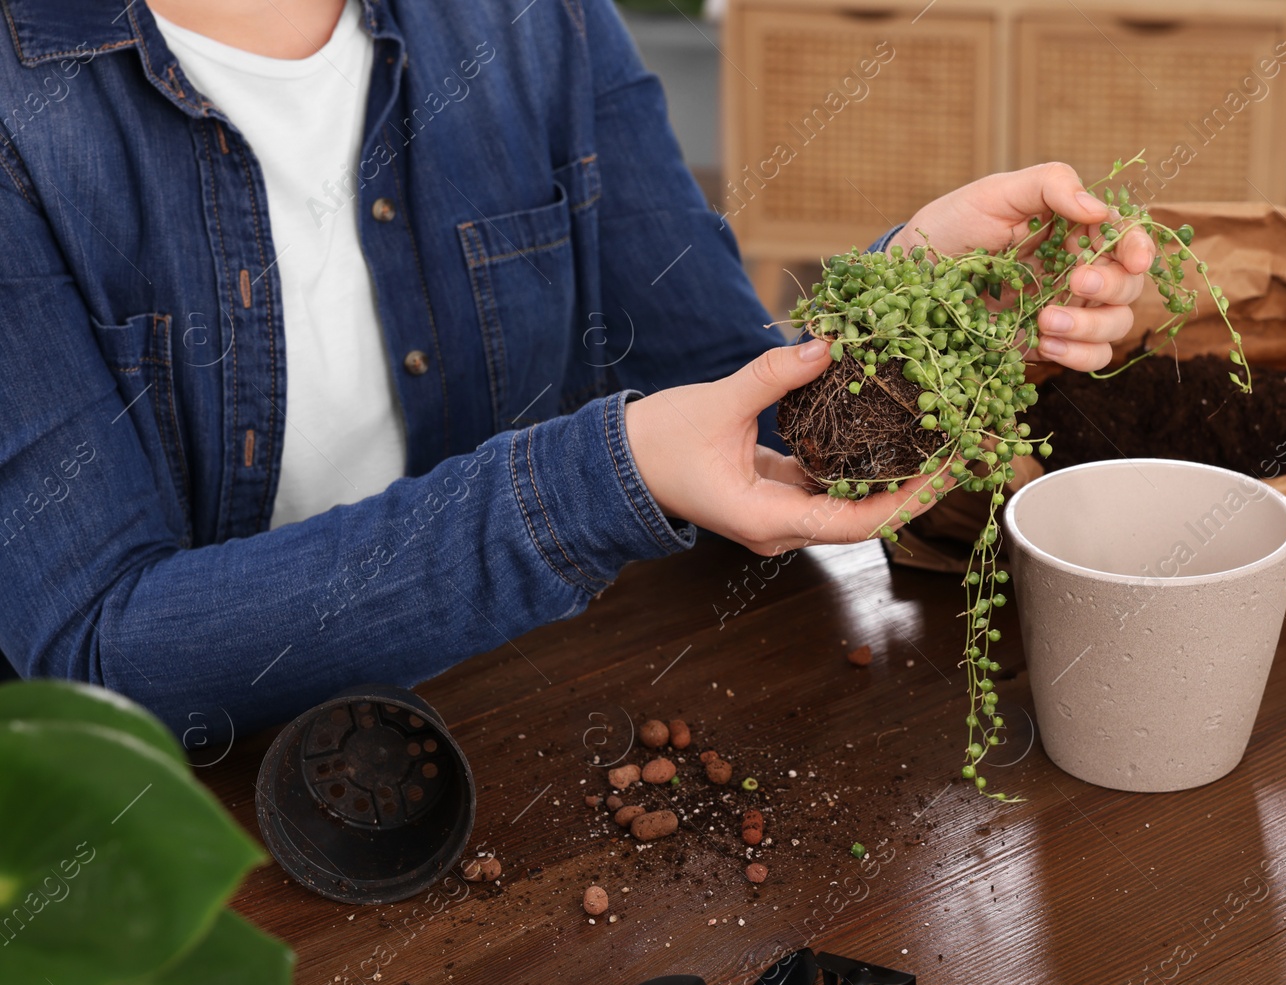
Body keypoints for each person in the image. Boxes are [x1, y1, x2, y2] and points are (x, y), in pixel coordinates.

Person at [0, 0, 1150, 742]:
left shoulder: (535, 18)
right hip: (177, 844)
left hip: (509, 724)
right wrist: (597, 480)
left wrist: (906, 307)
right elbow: (100, 655)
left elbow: (721, 379)